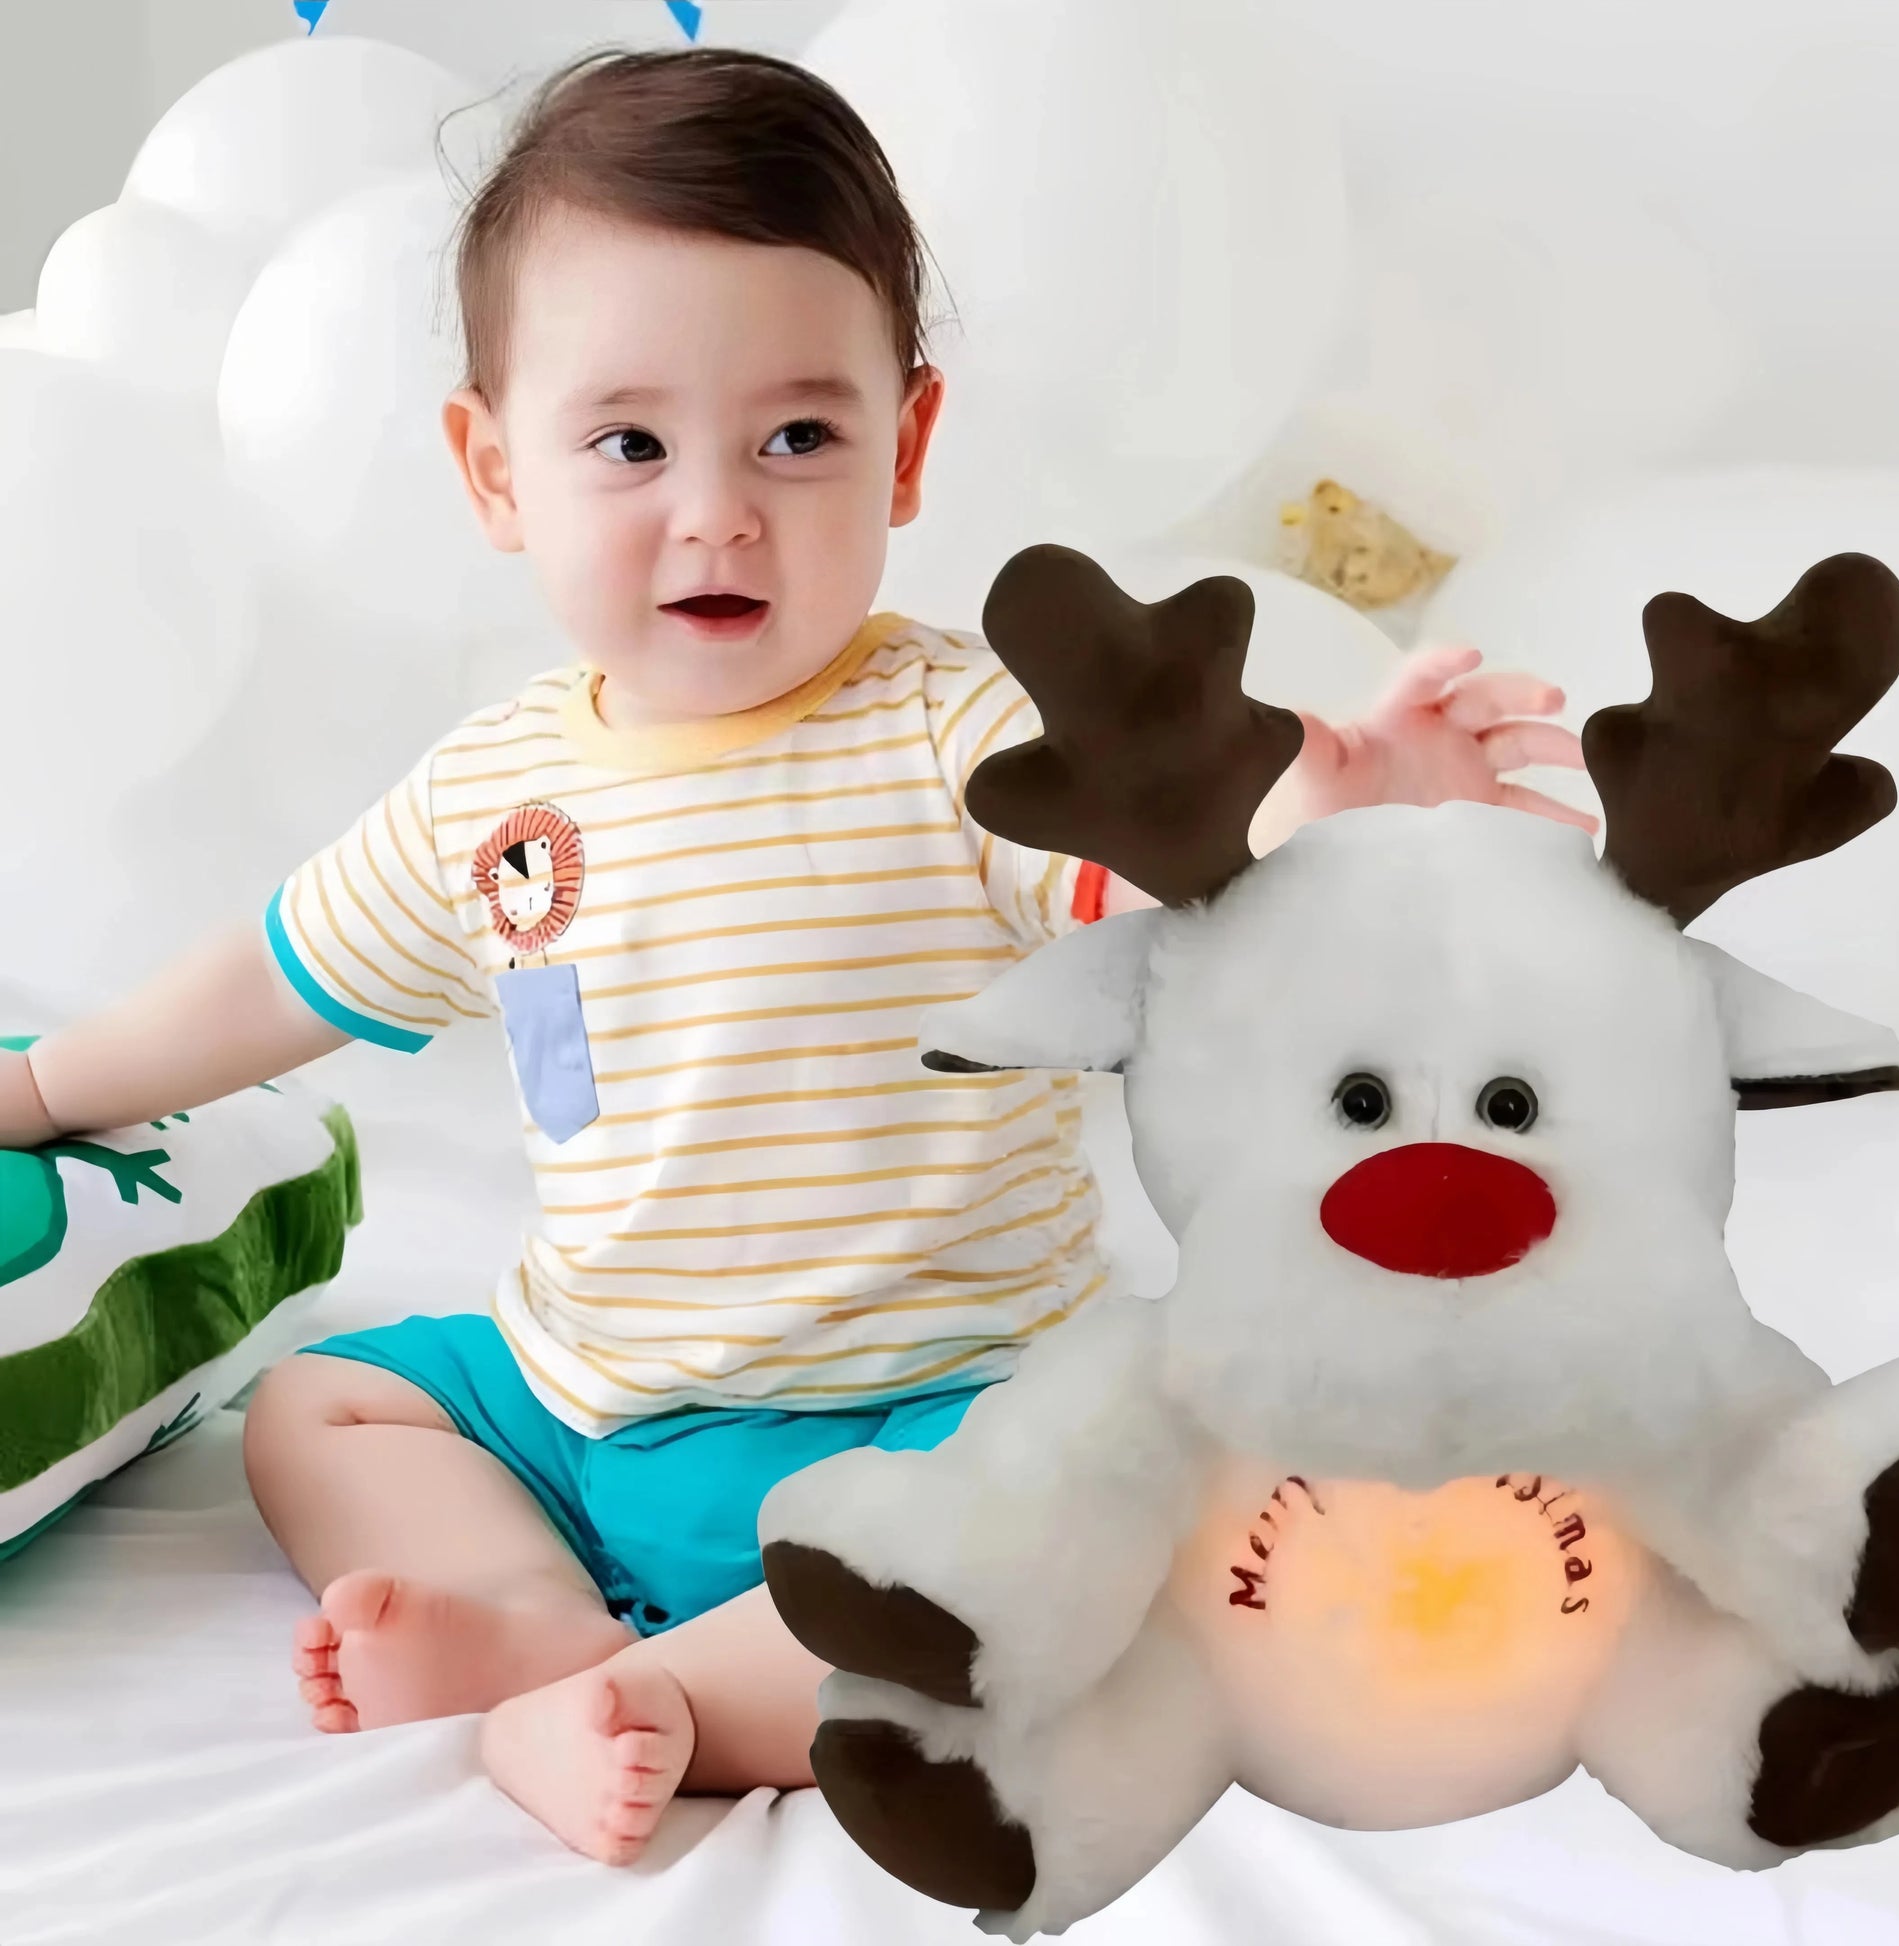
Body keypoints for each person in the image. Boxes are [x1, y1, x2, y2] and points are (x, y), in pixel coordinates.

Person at [0, 47, 1593, 1865]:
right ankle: (537, 1627)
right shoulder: (491, 791)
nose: (716, 509)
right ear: (494, 469)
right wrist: (41, 1089)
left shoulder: (957, 734)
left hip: (927, 1422)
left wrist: (1345, 809)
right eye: (629, 444)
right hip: (586, 1407)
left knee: (1116, 1513)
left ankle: (681, 1699)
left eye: (796, 438)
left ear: (903, 448)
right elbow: (272, 981)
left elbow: (1189, 860)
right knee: (324, 1403)